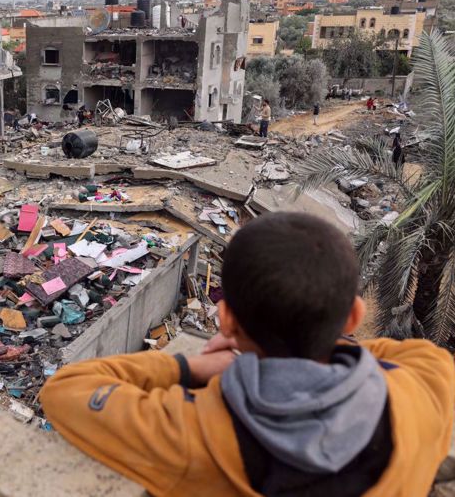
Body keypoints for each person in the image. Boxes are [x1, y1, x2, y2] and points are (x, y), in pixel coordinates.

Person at [40, 212, 454, 497]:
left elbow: (66, 390)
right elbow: (412, 355)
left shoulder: (192, 434)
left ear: (227, 322)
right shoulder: (424, 392)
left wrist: (191, 365)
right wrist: (320, 340)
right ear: (354, 317)